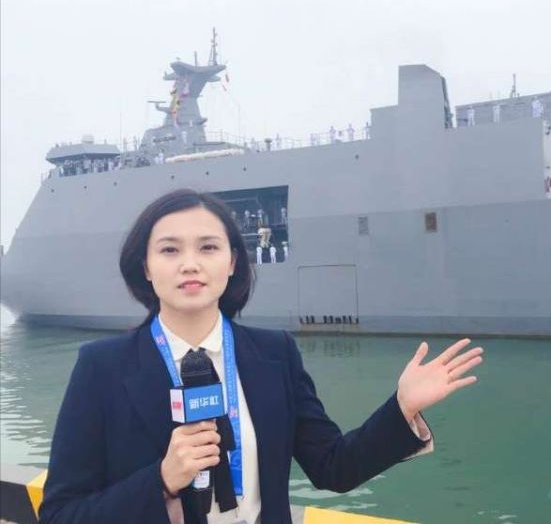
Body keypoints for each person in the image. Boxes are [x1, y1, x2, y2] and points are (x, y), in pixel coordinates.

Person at [39, 189, 482, 523]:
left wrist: (401, 408)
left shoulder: (275, 354)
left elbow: (333, 467)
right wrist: (161, 480)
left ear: (233, 262)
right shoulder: (101, 367)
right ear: (146, 267)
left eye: (208, 247)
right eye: (170, 249)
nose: (190, 264)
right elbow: (60, 513)